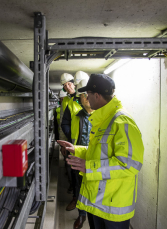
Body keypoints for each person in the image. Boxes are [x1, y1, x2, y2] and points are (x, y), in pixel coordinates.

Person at [58, 74, 144, 229]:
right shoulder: (103, 120)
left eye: (88, 95)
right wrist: (76, 149)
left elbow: (129, 164)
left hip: (113, 207)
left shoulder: (122, 122)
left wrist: (89, 167)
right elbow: (99, 152)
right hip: (99, 202)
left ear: (96, 95)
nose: (86, 99)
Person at [61, 71, 90, 211]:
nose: (68, 87)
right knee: (76, 175)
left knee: (89, 178)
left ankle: (86, 208)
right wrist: (68, 137)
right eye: (64, 85)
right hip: (76, 145)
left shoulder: (97, 107)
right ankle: (78, 205)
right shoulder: (70, 102)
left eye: (70, 83)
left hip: (90, 147)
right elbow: (64, 122)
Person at [71, 79, 94, 229]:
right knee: (80, 187)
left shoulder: (102, 116)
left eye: (85, 95)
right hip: (80, 155)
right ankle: (81, 215)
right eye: (82, 96)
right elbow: (74, 135)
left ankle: (91, 214)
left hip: (94, 158)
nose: (83, 98)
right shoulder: (78, 116)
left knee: (93, 188)